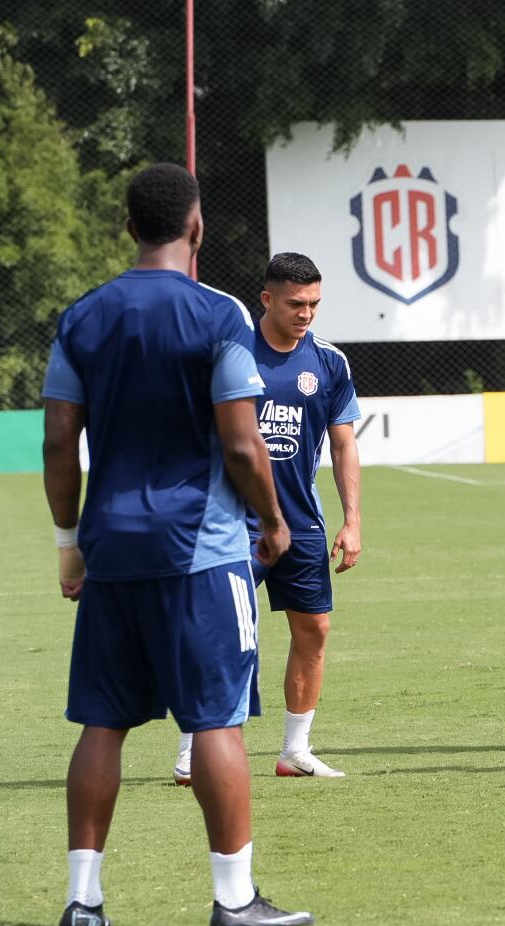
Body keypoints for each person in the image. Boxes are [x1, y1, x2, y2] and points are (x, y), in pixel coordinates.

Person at [43, 163, 312, 926]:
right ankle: (234, 900)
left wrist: (70, 542)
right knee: (216, 722)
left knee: (104, 722)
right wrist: (274, 519)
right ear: (196, 229)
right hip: (200, 551)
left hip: (111, 550)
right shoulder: (219, 315)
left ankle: (83, 900)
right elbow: (240, 440)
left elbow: (61, 438)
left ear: (129, 228)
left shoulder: (82, 317)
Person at [174, 252, 361, 784]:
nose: (306, 314)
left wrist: (352, 521)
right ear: (267, 299)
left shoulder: (329, 363)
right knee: (220, 636)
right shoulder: (230, 354)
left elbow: (344, 445)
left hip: (301, 522)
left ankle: (295, 751)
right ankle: (193, 750)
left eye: (314, 304)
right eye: (296, 303)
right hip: (234, 522)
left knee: (314, 630)